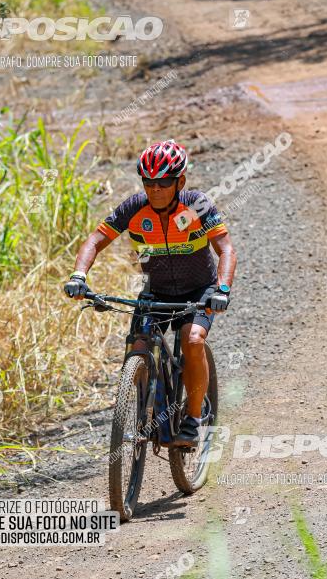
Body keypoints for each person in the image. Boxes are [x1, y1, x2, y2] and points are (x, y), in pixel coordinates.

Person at [64, 139, 237, 447]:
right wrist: (79, 275)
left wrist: (222, 289)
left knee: (192, 339)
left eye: (163, 182)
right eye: (148, 182)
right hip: (155, 290)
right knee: (138, 346)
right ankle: (148, 408)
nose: (155, 189)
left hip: (199, 291)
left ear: (180, 181)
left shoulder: (197, 204)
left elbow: (225, 249)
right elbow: (95, 240)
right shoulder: (134, 208)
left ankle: (194, 419)